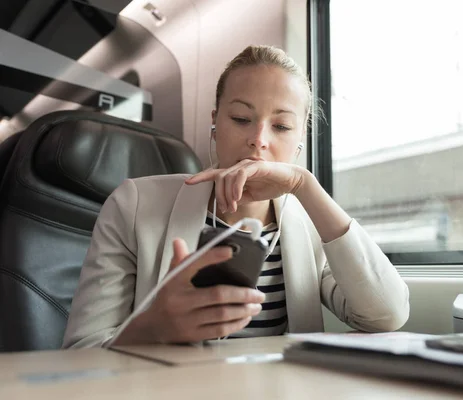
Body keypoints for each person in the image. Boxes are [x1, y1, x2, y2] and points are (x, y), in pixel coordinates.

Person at [62, 45, 410, 348]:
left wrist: (305, 185)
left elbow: (386, 315)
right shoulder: (133, 205)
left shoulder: (311, 224)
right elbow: (82, 352)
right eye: (242, 118)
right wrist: (152, 327)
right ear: (215, 123)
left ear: (299, 138)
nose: (259, 139)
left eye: (281, 126)